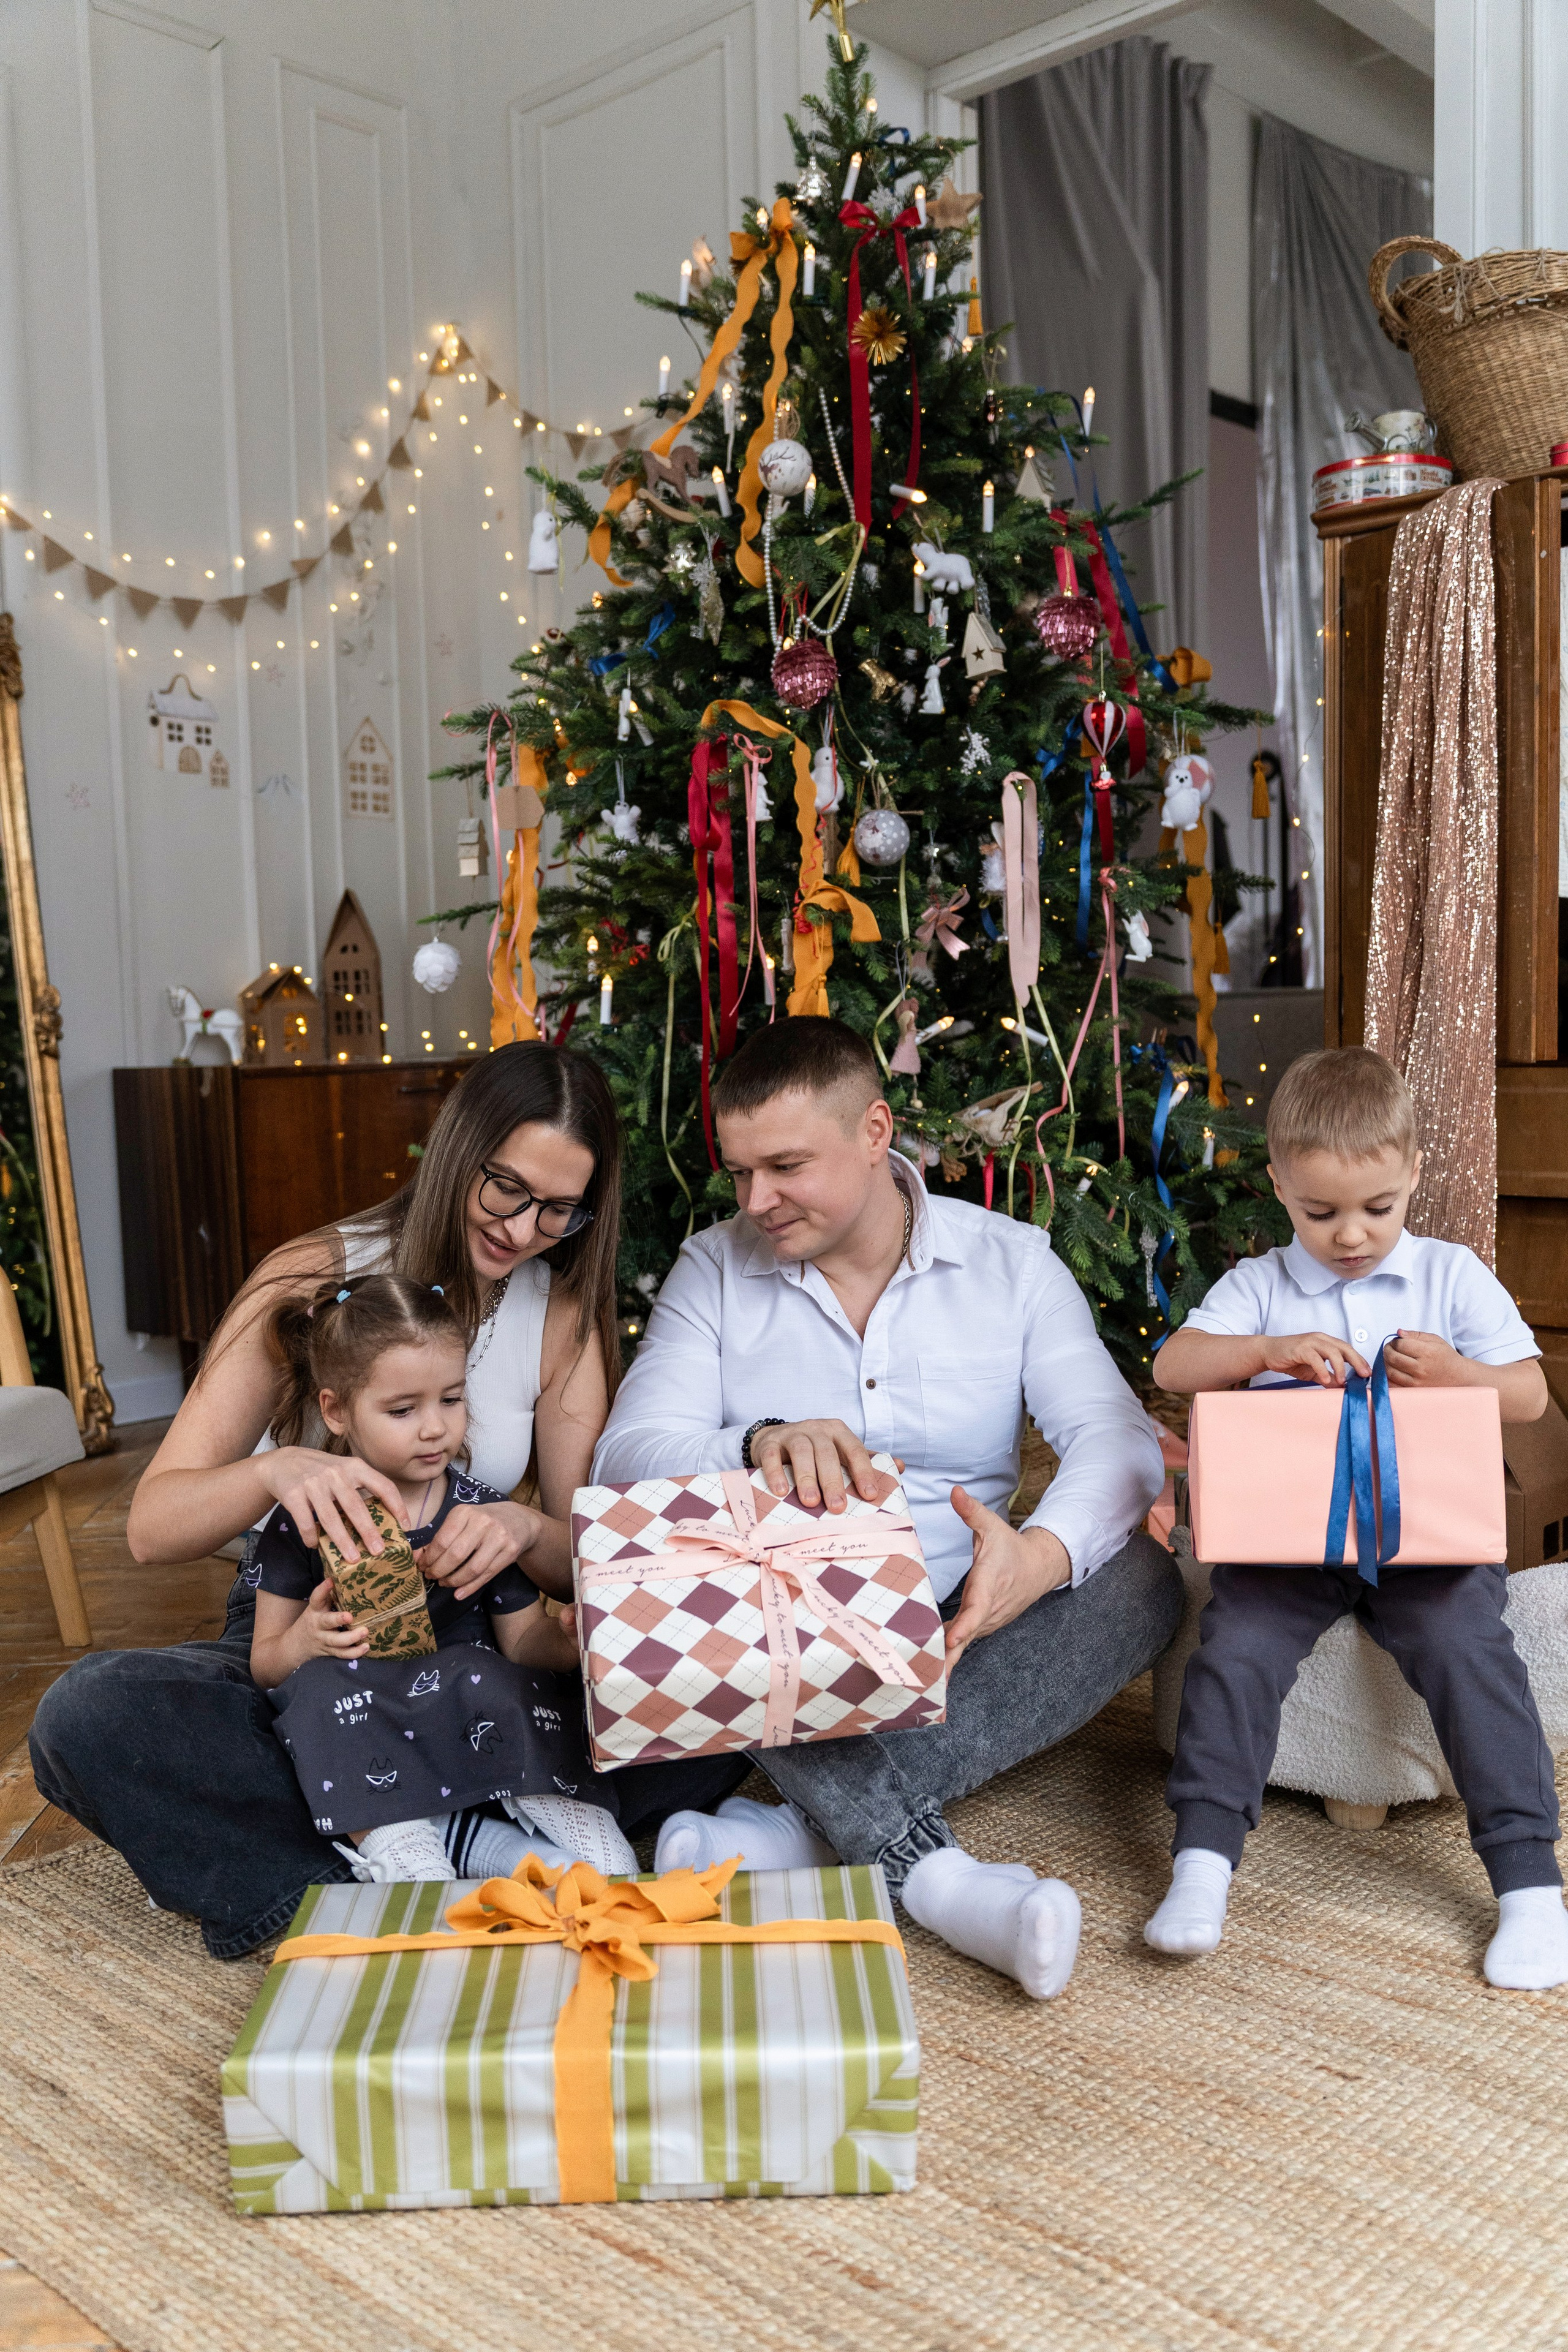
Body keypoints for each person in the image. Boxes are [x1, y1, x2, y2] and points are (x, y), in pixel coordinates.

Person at [30, 1042, 744, 1955]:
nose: (525, 1230)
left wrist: (524, 1527)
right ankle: (439, 1861)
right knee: (88, 1716)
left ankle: (412, 1853)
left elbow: (586, 1554)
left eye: (560, 1210)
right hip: (315, 1652)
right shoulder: (314, 1273)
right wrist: (273, 1472)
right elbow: (150, 1529)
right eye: (508, 1190)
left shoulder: (558, 1316)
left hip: (484, 1652)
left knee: (716, 1699)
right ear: (458, 1146)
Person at [593, 1018, 1177, 2001]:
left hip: (965, 1612)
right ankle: (936, 1877)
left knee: (1147, 1580)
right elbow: (624, 1460)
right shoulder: (713, 1268)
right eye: (739, 1173)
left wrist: (1036, 1557)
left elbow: (1115, 1441)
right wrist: (756, 1441)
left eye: (784, 1167)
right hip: (792, 1606)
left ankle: (791, 1831)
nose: (756, 1201)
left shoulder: (1014, 1263)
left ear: (874, 1131)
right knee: (723, 1592)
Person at [1145, 1046, 1568, 1990]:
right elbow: (1175, 1368)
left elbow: (1531, 1396)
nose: (1349, 1237)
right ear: (1279, 1185)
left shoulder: (1451, 1276)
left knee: (1471, 1651)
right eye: (1319, 1211)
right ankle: (1202, 1865)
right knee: (1236, 1652)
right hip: (1285, 1542)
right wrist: (1267, 1350)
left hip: (1430, 1538)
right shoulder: (1261, 1284)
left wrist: (1459, 1373)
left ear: (1415, 1171)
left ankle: (1531, 1885)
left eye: (1378, 1209)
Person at [251, 1272, 633, 1883]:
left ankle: (549, 1800)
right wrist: (304, 1642)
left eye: (451, 1400)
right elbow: (266, 1664)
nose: (435, 1428)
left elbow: (523, 1644)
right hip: (363, 1712)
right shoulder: (308, 1521)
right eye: (403, 1410)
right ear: (337, 1410)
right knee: (321, 1695)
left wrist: (567, 1638)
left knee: (488, 1676)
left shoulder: (481, 1514)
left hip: (468, 1709)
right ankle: (398, 1840)